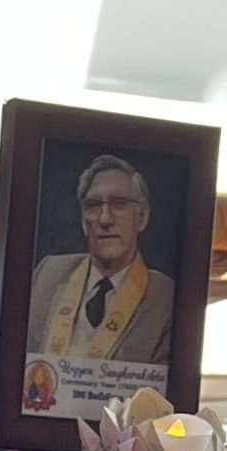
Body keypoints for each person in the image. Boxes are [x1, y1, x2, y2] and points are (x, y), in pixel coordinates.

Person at [27, 155, 175, 363]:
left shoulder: (165, 297)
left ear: (141, 218)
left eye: (119, 204)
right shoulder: (48, 274)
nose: (104, 219)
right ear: (83, 222)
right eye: (93, 205)